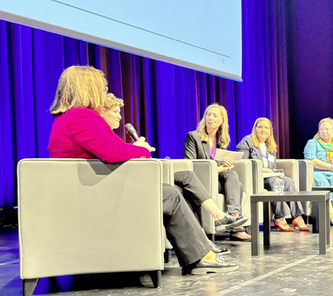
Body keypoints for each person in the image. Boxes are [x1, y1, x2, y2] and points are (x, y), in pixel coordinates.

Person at [47, 65, 237, 275]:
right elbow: (113, 152)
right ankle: (200, 256)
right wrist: (141, 149)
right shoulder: (81, 117)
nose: (103, 92)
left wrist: (133, 150)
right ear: (88, 89)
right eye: (101, 87)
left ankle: (199, 254)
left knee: (175, 188)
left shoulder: (70, 118)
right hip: (98, 194)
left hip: (97, 188)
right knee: (170, 194)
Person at [100, 93, 241, 255]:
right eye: (115, 112)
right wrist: (139, 148)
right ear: (102, 112)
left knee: (189, 187)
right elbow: (118, 155)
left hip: (141, 174)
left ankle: (208, 237)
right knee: (187, 178)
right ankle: (217, 219)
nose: (120, 116)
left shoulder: (110, 134)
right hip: (134, 179)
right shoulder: (193, 137)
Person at [184, 104, 251, 241]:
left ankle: (234, 219)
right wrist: (216, 169)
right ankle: (236, 224)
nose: (211, 118)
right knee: (237, 185)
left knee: (234, 178)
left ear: (222, 121)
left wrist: (225, 163)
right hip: (201, 180)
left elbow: (216, 161)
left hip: (217, 180)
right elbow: (190, 165)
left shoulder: (221, 140)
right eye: (208, 114)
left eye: (215, 115)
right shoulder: (193, 137)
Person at [237, 117, 310, 232]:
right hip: (255, 178)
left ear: (270, 131)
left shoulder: (270, 145)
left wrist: (277, 173)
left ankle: (298, 217)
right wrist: (262, 170)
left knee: (288, 181)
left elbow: (273, 167)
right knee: (277, 182)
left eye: (266, 128)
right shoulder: (247, 141)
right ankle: (280, 218)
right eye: (260, 127)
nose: (263, 130)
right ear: (255, 128)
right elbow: (242, 163)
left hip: (269, 177)